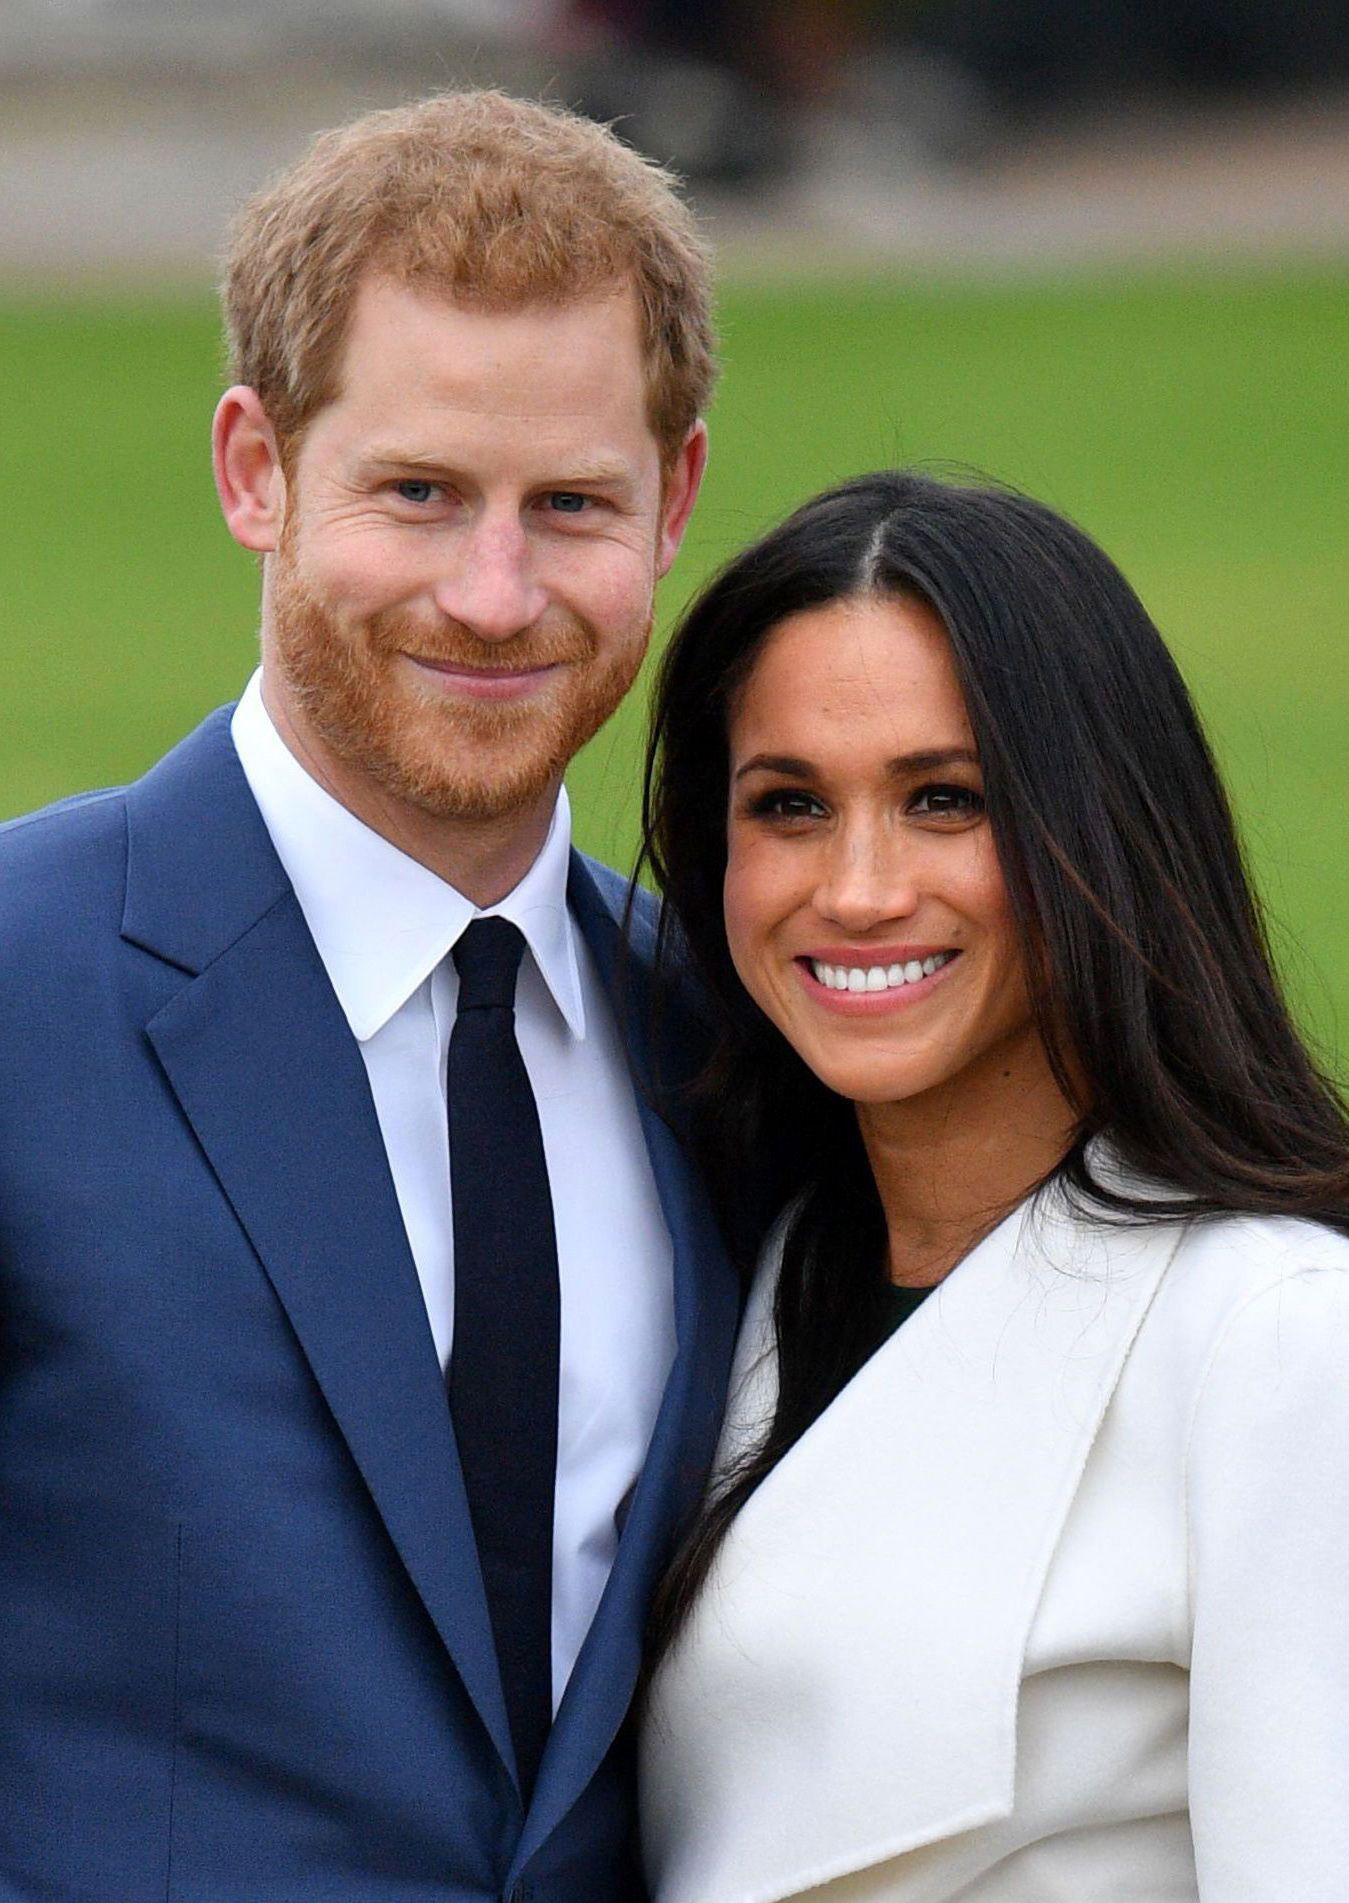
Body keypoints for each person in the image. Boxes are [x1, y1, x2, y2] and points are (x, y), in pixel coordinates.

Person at [0, 90, 744, 1901]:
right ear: (255, 468)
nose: (494, 596)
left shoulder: (726, 1045)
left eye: (569, 505)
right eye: (417, 493)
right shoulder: (17, 981)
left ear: (675, 504)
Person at [637, 470, 1349, 1901]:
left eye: (943, 800)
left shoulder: (1277, 1329)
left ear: (1101, 831)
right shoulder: (743, 1262)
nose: (854, 889)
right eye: (787, 804)